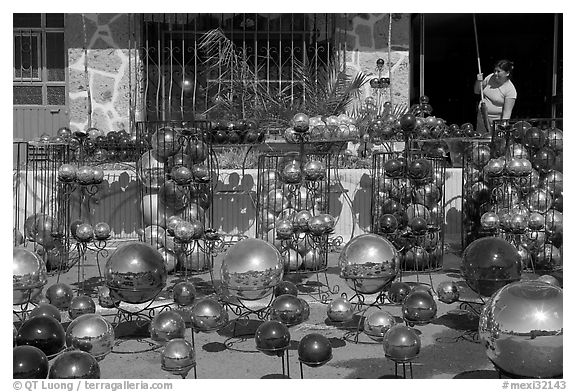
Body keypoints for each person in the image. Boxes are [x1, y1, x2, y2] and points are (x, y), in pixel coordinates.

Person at [474, 59, 517, 135]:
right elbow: (477, 91)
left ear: (507, 73)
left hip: (495, 126)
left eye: (498, 71)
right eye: (495, 70)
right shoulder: (490, 77)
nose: (495, 73)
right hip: (481, 120)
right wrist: (478, 81)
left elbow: (507, 113)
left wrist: (502, 130)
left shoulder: (510, 90)